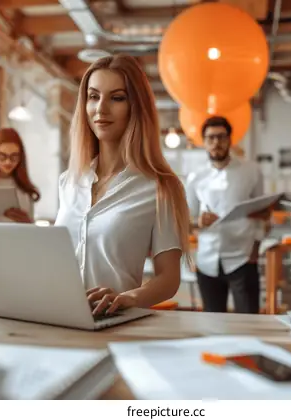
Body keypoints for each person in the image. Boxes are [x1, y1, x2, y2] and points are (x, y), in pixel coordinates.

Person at [54, 54, 190, 317]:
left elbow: (169, 279)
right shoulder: (68, 182)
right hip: (56, 317)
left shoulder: (161, 188)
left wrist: (127, 298)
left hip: (112, 322)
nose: (100, 109)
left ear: (135, 107)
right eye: (93, 97)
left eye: (116, 98)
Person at [185, 116, 271, 314]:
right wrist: (197, 222)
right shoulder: (195, 177)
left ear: (230, 139)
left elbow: (262, 213)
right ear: (204, 142)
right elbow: (186, 221)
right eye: (211, 138)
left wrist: (255, 251)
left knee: (249, 322)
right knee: (213, 325)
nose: (216, 143)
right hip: (207, 262)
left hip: (243, 258)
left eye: (221, 137)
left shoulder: (251, 171)